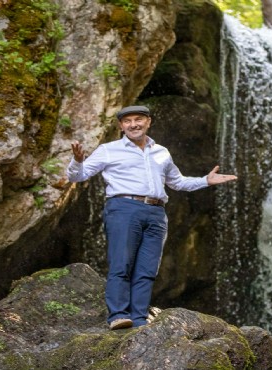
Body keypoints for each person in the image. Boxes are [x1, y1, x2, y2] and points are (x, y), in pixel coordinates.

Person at [66, 105, 237, 330]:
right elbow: (78, 176)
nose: (133, 124)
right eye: (127, 121)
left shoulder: (162, 152)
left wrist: (206, 180)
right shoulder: (109, 149)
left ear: (148, 122)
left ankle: (138, 319)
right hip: (124, 207)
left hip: (157, 212)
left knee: (147, 269)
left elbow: (177, 182)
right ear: (120, 126)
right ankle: (117, 315)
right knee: (122, 263)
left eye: (139, 119)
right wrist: (77, 160)